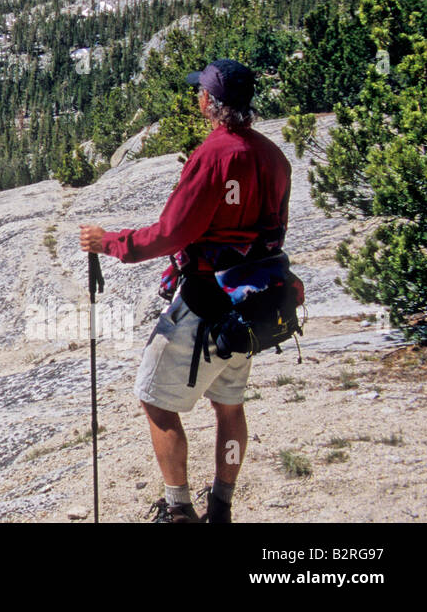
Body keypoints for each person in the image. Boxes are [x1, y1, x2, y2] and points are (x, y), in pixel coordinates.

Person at [79, 59, 291, 524]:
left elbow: (172, 233)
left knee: (155, 397)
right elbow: (276, 229)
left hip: (206, 301)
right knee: (230, 405)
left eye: (201, 92)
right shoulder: (274, 157)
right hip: (251, 302)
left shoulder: (214, 155)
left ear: (210, 104)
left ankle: (179, 511)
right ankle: (222, 506)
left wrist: (110, 242)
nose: (197, 97)